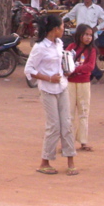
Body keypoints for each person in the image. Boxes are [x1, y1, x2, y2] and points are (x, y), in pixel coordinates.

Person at [24, 14, 77, 175]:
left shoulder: (59, 44)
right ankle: (45, 161)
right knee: (54, 126)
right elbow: (29, 70)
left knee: (66, 124)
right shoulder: (40, 47)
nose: (64, 30)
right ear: (55, 29)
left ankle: (70, 160)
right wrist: (49, 78)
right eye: (62, 27)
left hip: (61, 87)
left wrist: (65, 71)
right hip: (47, 89)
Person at [67, 23, 97, 153]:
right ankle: (68, 141)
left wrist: (74, 69)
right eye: (85, 34)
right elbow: (65, 63)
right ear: (79, 35)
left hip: (84, 83)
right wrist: (76, 70)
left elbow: (90, 67)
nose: (88, 38)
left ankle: (83, 141)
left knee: (83, 111)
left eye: (90, 35)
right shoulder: (71, 48)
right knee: (69, 113)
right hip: (70, 83)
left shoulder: (92, 50)